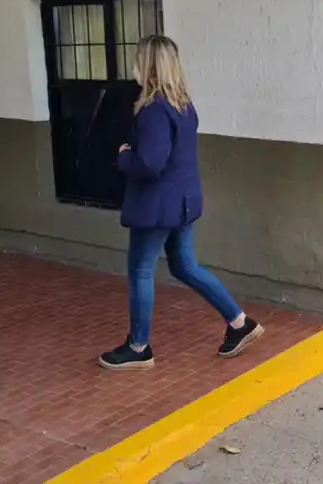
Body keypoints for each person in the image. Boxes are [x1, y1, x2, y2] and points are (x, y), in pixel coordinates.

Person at [99, 35, 264, 371]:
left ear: (148, 65)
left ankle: (138, 347)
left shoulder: (154, 110)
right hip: (182, 203)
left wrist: (124, 156)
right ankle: (239, 323)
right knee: (184, 266)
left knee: (141, 270)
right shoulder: (183, 105)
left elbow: (150, 164)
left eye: (139, 59)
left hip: (158, 207)